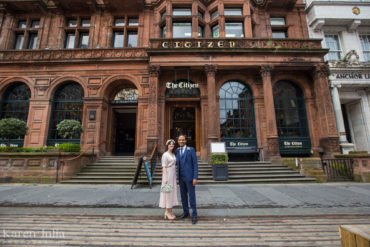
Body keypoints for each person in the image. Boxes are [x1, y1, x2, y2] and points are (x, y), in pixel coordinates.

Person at [176, 134, 198, 224]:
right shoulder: (177, 151)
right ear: (178, 141)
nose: (181, 141)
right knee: (183, 196)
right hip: (181, 178)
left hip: (190, 177)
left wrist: (195, 177)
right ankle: (185, 212)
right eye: (179, 140)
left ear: (185, 141)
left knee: (192, 197)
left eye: (183, 140)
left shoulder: (191, 150)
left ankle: (194, 215)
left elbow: (195, 164)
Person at [159, 139, 178, 220]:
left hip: (173, 175)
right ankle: (167, 211)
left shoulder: (173, 154)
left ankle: (170, 210)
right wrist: (165, 178)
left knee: (172, 192)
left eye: (173, 145)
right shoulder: (165, 155)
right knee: (167, 192)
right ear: (167, 146)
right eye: (170, 145)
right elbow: (164, 167)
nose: (171, 146)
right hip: (168, 174)